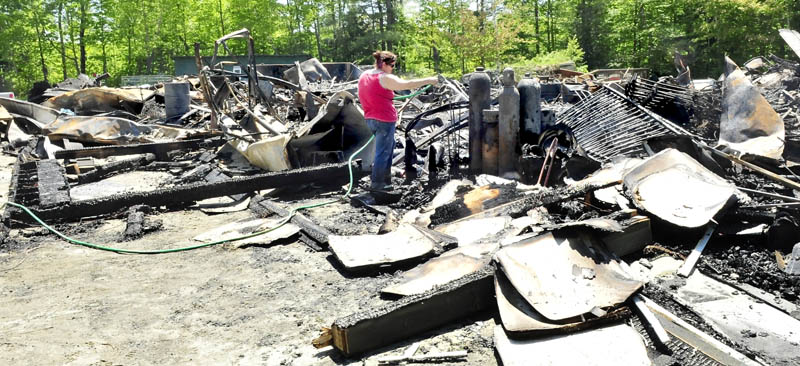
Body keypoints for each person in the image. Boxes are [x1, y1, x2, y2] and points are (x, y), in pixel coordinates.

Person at [358, 50, 438, 192]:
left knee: (389, 146)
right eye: (392, 65)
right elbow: (407, 84)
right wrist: (430, 80)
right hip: (384, 120)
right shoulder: (384, 78)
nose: (393, 68)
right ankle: (377, 184)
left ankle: (386, 179)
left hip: (370, 118)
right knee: (383, 151)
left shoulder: (365, 75)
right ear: (383, 64)